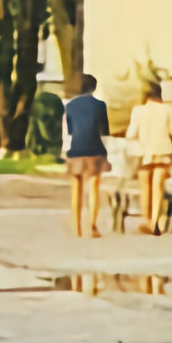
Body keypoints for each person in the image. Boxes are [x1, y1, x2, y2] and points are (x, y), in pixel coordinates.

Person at [125, 80, 172, 236]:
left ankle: (147, 220)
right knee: (158, 188)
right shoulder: (167, 110)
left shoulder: (138, 111)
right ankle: (156, 221)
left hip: (144, 154)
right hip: (163, 152)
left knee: (145, 188)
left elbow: (130, 134)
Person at [61, 74, 109, 238]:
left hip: (76, 149)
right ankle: (92, 226)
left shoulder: (70, 106)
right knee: (94, 188)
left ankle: (77, 227)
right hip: (95, 148)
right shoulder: (100, 105)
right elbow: (105, 130)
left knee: (77, 189)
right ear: (94, 87)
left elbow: (68, 131)